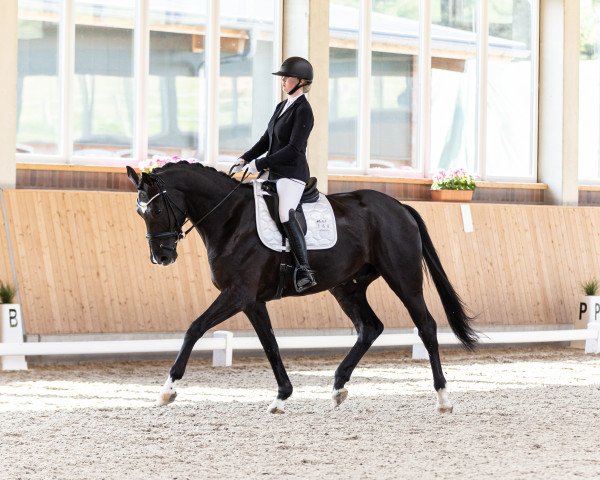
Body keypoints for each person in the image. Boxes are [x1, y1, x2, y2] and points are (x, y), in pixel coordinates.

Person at [233, 56, 316, 292]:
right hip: (273, 172)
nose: (283, 81)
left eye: (287, 77)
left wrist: (261, 164)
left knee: (285, 213)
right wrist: (245, 158)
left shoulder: (304, 111)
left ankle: (304, 269)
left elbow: (293, 149)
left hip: (292, 174)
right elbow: (266, 140)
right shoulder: (282, 106)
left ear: (301, 81)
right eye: (282, 77)